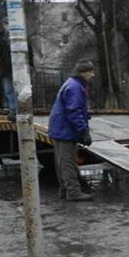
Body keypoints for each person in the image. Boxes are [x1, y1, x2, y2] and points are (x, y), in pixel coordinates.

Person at [48, 60, 96, 201]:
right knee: (68, 162)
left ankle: (65, 190)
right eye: (90, 72)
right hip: (65, 130)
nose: (93, 75)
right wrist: (83, 131)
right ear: (82, 73)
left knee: (62, 162)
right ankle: (73, 192)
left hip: (61, 129)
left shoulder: (73, 84)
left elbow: (74, 109)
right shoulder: (74, 87)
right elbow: (73, 111)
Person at [0, 27, 34, 116]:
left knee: (18, 90)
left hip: (18, 67)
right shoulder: (0, 38)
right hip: (6, 68)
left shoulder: (18, 37)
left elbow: (29, 50)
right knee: (9, 90)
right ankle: (14, 110)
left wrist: (30, 64)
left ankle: (19, 109)